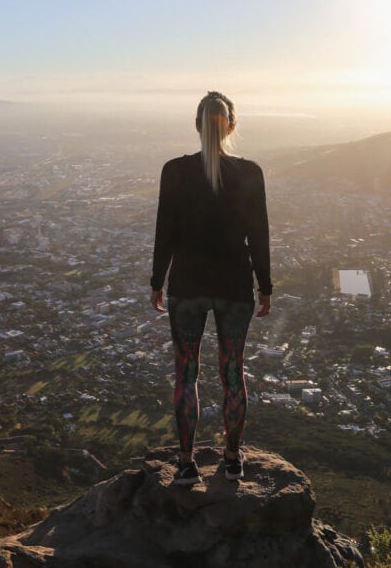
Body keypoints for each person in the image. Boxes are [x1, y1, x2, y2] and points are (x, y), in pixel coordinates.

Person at [150, 91, 272, 485]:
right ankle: (233, 459)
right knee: (232, 371)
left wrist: (157, 281)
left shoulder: (174, 171)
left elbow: (164, 232)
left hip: (187, 284)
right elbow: (260, 235)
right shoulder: (250, 172)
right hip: (235, 285)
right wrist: (265, 285)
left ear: (197, 125)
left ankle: (186, 464)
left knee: (186, 372)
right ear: (231, 126)